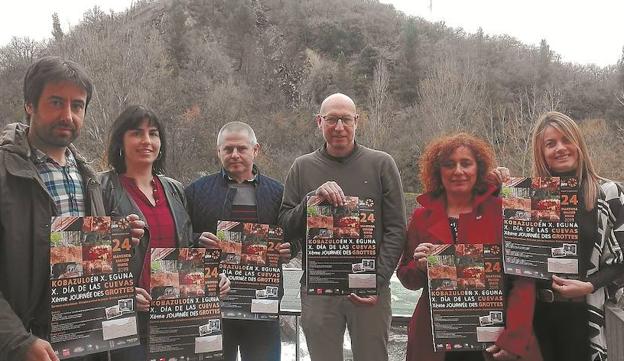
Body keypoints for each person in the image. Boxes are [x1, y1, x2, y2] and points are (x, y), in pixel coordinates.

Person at [0, 56, 144, 361]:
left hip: (85, 343)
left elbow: (81, 262)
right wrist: (16, 341)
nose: (67, 114)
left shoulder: (88, 176)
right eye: (55, 102)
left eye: (77, 106)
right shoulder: (5, 172)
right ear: (29, 104)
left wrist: (116, 243)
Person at [279, 93, 406, 361]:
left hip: (370, 289)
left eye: (346, 119)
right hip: (319, 289)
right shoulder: (301, 167)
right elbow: (285, 226)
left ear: (356, 121)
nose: (339, 127)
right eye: (331, 119)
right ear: (319, 121)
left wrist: (377, 281)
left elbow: (396, 230)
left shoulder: (382, 164)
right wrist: (310, 201)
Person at [99, 105, 230, 360]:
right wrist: (121, 291)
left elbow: (180, 247)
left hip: (175, 316)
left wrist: (213, 275)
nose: (147, 141)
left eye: (154, 133)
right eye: (137, 133)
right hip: (127, 319)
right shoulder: (102, 187)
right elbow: (87, 258)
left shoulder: (174, 189)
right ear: (120, 141)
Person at [396, 133, 543, 361]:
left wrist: (514, 338)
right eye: (449, 164)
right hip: (435, 336)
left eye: (466, 163)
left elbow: (523, 279)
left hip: (493, 336)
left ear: (479, 169)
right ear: (438, 171)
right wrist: (419, 267)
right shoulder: (421, 216)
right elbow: (406, 277)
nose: (458, 171)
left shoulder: (502, 210)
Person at [185, 121, 295, 361]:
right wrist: (195, 240)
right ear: (218, 152)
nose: (234, 154)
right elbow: (180, 237)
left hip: (261, 303)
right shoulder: (196, 191)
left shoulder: (278, 192)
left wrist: (290, 249)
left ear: (256, 150)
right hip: (212, 303)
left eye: (241, 148)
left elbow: (290, 234)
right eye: (228, 149)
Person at [528, 111, 624, 361]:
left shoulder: (609, 193)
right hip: (536, 318)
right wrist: (497, 184)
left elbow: (622, 259)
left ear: (578, 144)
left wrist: (591, 284)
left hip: (586, 316)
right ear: (541, 152)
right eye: (550, 143)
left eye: (566, 139)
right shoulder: (527, 198)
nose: (560, 148)